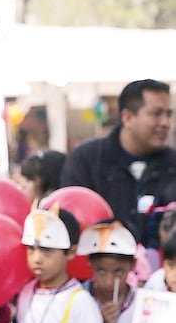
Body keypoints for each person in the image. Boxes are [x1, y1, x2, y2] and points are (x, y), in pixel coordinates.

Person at [60, 79, 176, 247]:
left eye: (168, 114)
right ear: (127, 117)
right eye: (156, 113)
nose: (165, 123)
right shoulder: (85, 161)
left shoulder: (173, 164)